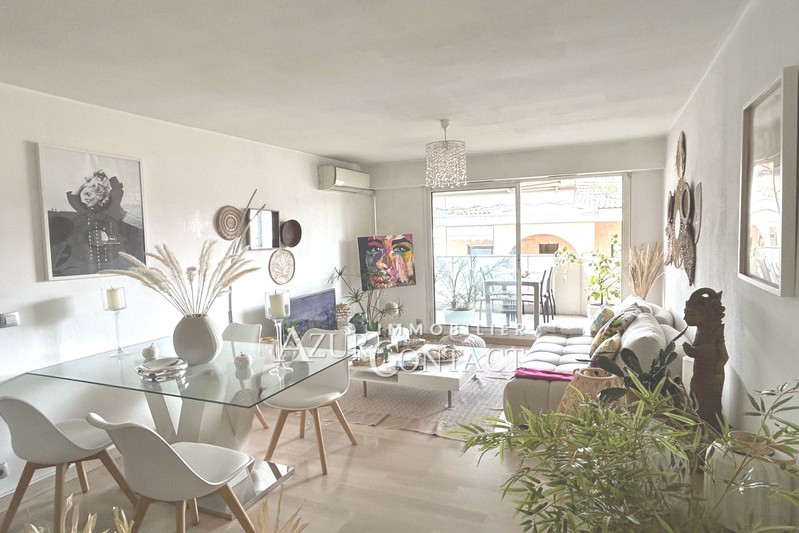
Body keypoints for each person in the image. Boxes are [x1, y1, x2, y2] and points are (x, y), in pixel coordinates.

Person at [49, 170, 144, 276]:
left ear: (100, 195)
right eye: (84, 195)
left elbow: (116, 188)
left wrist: (104, 172)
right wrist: (84, 184)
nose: (85, 198)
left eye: (88, 194)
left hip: (129, 232)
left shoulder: (113, 204)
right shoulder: (88, 210)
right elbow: (74, 199)